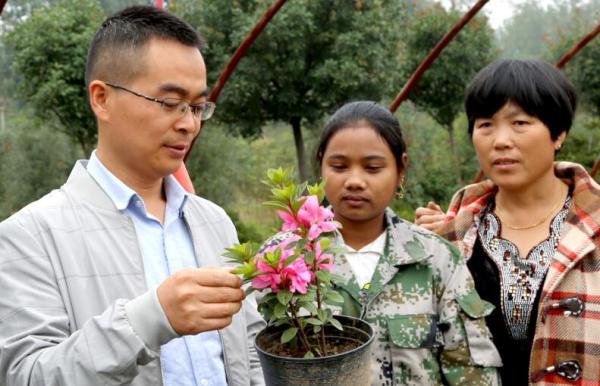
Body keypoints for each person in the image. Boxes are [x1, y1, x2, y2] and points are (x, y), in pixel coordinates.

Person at [0, 6, 264, 386]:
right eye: (170, 103)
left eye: (196, 106)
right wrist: (151, 319)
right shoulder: (30, 237)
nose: (188, 123)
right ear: (102, 98)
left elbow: (251, 353)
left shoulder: (214, 222)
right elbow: (25, 376)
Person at [415, 59, 600, 385]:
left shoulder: (594, 229)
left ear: (558, 133)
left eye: (520, 123)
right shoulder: (452, 235)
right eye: (486, 124)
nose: (500, 140)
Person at [316, 101, 502, 385]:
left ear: (400, 169)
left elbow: (471, 370)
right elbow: (254, 363)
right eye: (339, 166)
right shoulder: (286, 259)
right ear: (321, 165)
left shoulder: (436, 259)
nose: (354, 181)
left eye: (373, 167)